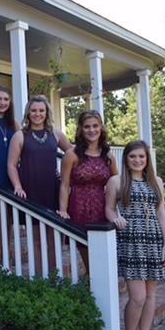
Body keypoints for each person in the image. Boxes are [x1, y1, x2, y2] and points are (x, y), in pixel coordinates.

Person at [105, 140, 165, 330]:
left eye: (141, 156)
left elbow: (161, 214)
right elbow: (109, 209)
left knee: (152, 295)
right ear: (126, 158)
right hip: (131, 243)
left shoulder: (156, 181)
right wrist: (115, 218)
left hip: (153, 242)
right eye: (133, 156)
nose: (137, 160)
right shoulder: (117, 181)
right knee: (138, 298)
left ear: (147, 159)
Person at [7, 95, 72, 272]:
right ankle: (39, 277)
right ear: (28, 112)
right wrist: (18, 186)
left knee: (54, 238)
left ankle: (53, 276)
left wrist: (66, 174)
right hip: (31, 190)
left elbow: (73, 154)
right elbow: (11, 165)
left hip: (52, 191)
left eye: (41, 110)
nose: (37, 114)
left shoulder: (56, 134)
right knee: (35, 239)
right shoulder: (20, 135)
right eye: (34, 110)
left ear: (46, 112)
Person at [57, 110, 117, 269]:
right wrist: (63, 210)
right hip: (79, 207)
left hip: (102, 208)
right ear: (80, 130)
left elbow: (116, 183)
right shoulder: (72, 154)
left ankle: (96, 286)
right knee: (87, 252)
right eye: (87, 127)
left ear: (101, 128)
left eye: (95, 126)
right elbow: (64, 184)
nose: (92, 130)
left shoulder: (108, 156)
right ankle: (92, 283)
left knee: (102, 253)